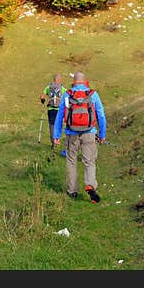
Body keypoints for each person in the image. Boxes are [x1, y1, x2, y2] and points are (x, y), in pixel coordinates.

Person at [52, 71, 106, 203]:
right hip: (89, 132)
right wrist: (102, 134)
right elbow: (101, 116)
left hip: (71, 133)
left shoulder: (67, 94)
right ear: (85, 81)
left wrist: (56, 136)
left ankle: (72, 191)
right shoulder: (93, 95)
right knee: (89, 161)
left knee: (71, 161)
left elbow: (59, 116)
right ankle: (90, 185)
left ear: (74, 81)